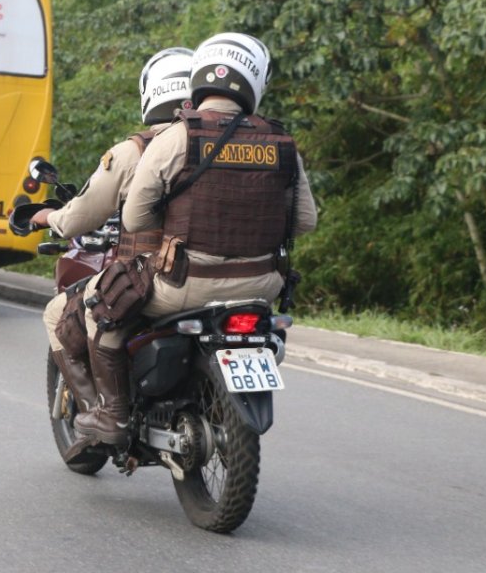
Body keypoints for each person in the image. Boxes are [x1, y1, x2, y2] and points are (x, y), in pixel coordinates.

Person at [71, 32, 317, 447]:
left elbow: (134, 216)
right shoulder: (281, 142)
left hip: (183, 286)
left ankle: (113, 415)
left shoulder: (177, 136)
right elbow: (305, 221)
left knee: (98, 308)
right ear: (257, 80)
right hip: (261, 287)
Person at [32, 48, 197, 445]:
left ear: (152, 92)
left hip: (158, 277)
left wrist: (47, 217)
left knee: (62, 314)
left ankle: (106, 415)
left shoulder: (134, 151)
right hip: (232, 273)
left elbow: (79, 217)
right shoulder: (221, 144)